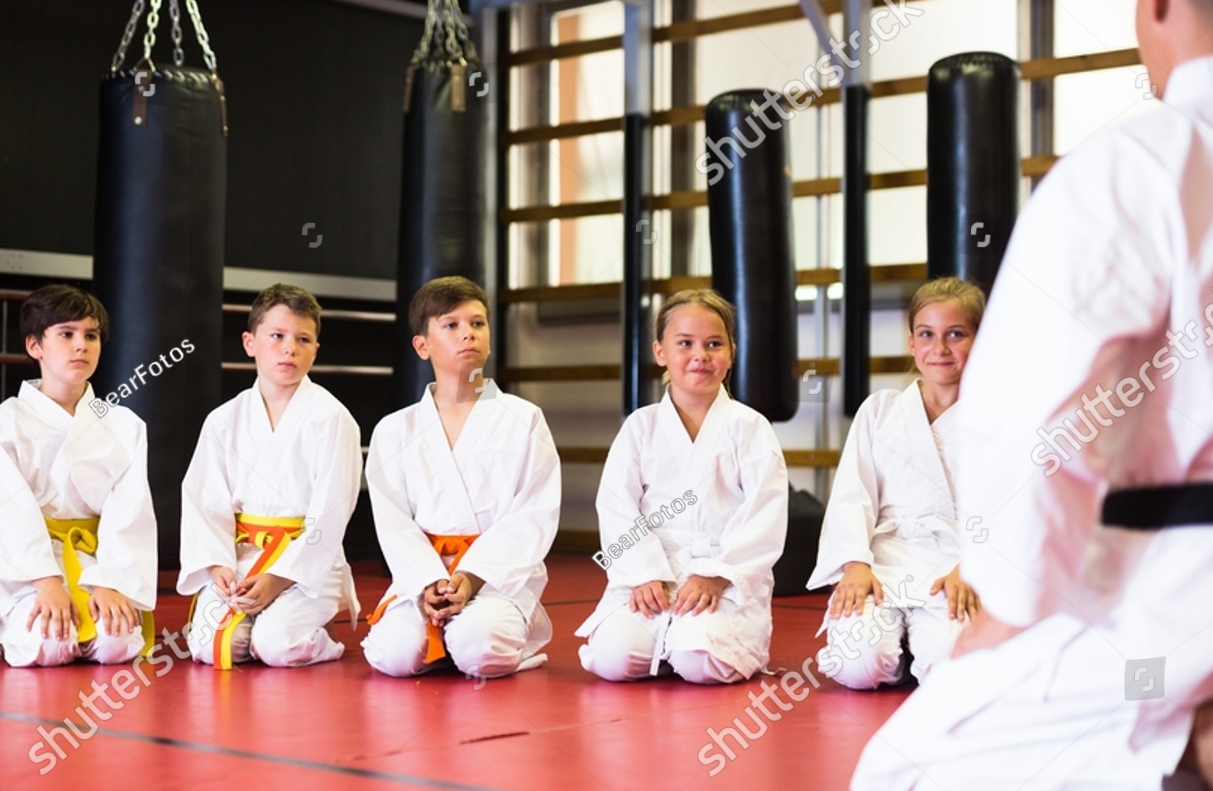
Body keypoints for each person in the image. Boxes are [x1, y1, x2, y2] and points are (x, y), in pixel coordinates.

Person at [852, 0, 1213, 791]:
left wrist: (1009, 609)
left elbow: (1033, 424)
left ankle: (1200, 740)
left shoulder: (1143, 164)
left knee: (908, 771)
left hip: (1177, 617)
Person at [576, 289, 788, 683]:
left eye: (713, 344)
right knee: (612, 659)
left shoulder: (750, 427)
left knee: (699, 662)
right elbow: (617, 504)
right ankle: (664, 635)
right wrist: (642, 572)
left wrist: (717, 574)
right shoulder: (641, 426)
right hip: (653, 574)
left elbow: (766, 512)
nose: (700, 356)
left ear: (731, 352)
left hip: (722, 574)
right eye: (685, 343)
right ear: (660, 352)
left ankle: (690, 642)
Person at [362, 276, 560, 679]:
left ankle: (479, 639)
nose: (467, 333)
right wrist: (428, 581)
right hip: (424, 576)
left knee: (480, 649)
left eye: (477, 323)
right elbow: (392, 520)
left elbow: (533, 514)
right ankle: (438, 623)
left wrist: (469, 577)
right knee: (393, 656)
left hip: (494, 577)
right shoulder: (394, 429)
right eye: (451, 325)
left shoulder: (523, 419)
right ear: (422, 345)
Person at [809, 278, 985, 690]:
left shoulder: (998, 418)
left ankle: (920, 641)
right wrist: (854, 564)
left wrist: (975, 566)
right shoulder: (880, 410)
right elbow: (853, 495)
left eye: (955, 334)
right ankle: (900, 645)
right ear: (911, 342)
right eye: (927, 334)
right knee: (856, 665)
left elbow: (1014, 505)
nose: (939, 349)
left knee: (951, 669)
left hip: (956, 564)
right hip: (885, 560)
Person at [177, 284, 362, 669]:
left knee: (277, 645)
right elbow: (203, 502)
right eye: (276, 336)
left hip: (309, 560)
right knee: (212, 647)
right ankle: (254, 615)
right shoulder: (224, 420)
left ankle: (323, 640)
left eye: (303, 339)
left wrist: (279, 579)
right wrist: (219, 567)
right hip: (243, 557)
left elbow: (332, 512)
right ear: (250, 342)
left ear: (315, 349)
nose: (289, 348)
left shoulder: (332, 419)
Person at [0, 285, 155, 668]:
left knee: (117, 644)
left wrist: (111, 582)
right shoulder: (7, 421)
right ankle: (14, 609)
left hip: (96, 558)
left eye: (91, 336)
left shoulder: (125, 425)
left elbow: (131, 513)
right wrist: (45, 581)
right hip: (30, 566)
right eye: (66, 334)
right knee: (48, 645)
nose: (81, 345)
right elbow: (1, 512)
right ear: (34, 346)